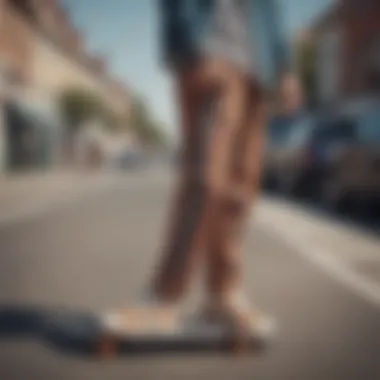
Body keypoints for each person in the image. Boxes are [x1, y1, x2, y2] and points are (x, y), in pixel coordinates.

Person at [106, 0, 292, 343]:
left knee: (240, 189)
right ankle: (165, 294)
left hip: (258, 64)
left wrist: (285, 66)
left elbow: (271, 8)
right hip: (211, 48)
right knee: (206, 179)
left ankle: (223, 295)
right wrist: (189, 41)